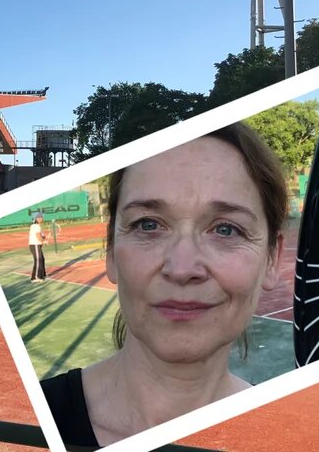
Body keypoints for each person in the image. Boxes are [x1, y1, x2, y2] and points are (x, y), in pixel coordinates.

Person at [40, 122, 288, 449]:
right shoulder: (24, 418)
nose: (182, 269)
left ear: (272, 259)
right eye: (149, 225)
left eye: (226, 230)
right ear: (111, 252)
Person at [28, 212, 47, 282]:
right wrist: (43, 241)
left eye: (41, 217)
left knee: (42, 259)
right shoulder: (36, 226)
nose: (40, 218)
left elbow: (41, 236)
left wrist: (45, 238)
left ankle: (42, 275)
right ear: (35, 219)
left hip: (37, 245)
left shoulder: (37, 226)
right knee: (38, 260)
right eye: (38, 217)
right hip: (35, 245)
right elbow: (38, 236)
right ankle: (35, 277)